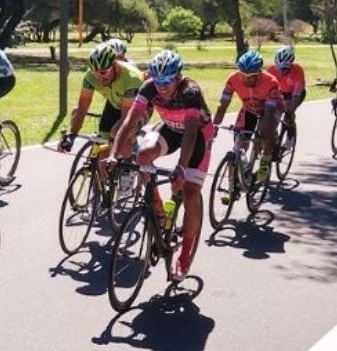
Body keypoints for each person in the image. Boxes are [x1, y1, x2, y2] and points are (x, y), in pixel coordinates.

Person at [107, 49, 211, 281]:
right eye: (158, 80)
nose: (162, 86)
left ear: (178, 77)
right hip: (171, 129)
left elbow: (192, 131)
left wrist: (181, 168)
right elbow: (129, 122)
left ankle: (184, 259)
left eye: (168, 81)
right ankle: (160, 211)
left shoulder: (190, 92)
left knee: (191, 192)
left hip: (197, 136)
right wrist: (114, 154)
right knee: (142, 156)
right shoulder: (149, 87)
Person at [58, 43, 145, 163]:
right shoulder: (90, 76)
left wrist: (114, 148)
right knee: (101, 150)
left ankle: (132, 163)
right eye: (95, 73)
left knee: (118, 133)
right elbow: (82, 108)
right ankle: (102, 179)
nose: (99, 77)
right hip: (115, 103)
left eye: (104, 72)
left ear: (114, 65)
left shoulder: (131, 78)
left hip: (138, 107)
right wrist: (72, 135)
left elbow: (127, 120)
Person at [214, 50, 284, 183]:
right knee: (239, 143)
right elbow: (223, 105)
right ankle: (233, 184)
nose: (247, 79)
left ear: (260, 72)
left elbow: (268, 115)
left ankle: (265, 162)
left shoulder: (271, 82)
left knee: (265, 133)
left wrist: (260, 137)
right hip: (249, 109)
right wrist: (214, 125)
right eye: (243, 75)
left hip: (271, 109)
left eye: (252, 75)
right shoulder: (233, 79)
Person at [266, 46, 305, 150]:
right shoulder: (271, 70)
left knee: (289, 111)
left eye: (285, 69)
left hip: (295, 93)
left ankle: (290, 135)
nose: (281, 72)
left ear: (290, 65)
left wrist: (290, 109)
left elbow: (296, 94)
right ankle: (274, 136)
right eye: (279, 68)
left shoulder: (297, 70)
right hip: (280, 92)